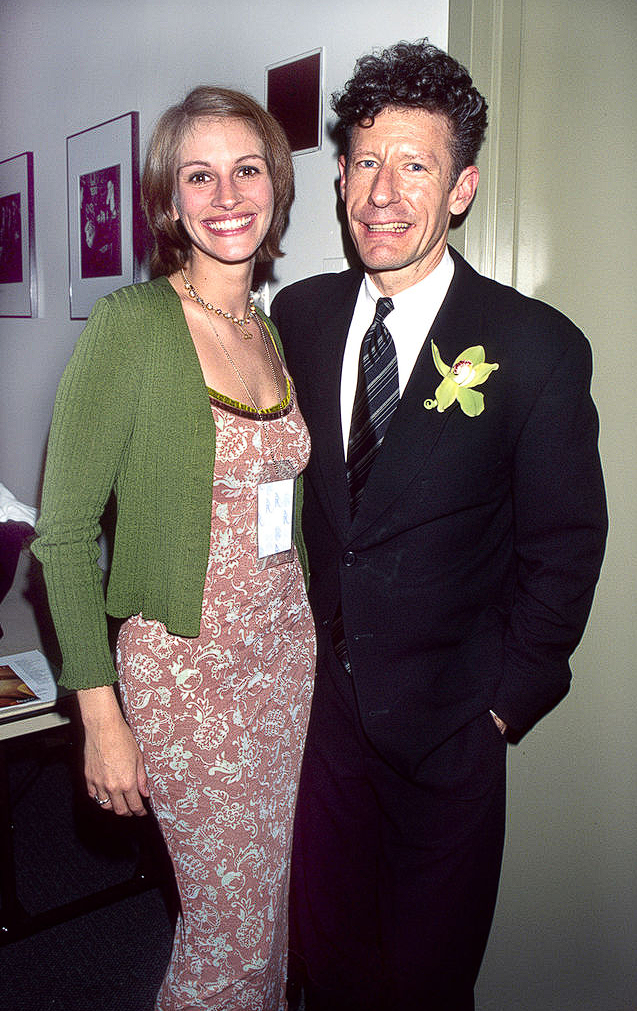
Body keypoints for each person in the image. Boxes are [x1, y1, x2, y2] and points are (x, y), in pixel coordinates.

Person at [270, 40, 607, 1011]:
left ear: (460, 189)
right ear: (339, 177)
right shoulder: (299, 315)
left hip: (451, 732)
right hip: (323, 730)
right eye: (365, 162)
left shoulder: (534, 347)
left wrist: (501, 706)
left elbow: (563, 549)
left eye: (414, 165)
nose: (383, 193)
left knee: (423, 982)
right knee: (325, 967)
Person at [33, 86, 315, 1011]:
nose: (226, 195)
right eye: (200, 176)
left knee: (271, 917)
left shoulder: (266, 329)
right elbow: (62, 537)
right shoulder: (133, 326)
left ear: (275, 186)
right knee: (225, 939)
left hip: (286, 666)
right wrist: (100, 714)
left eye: (246, 169)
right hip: (187, 675)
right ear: (168, 198)